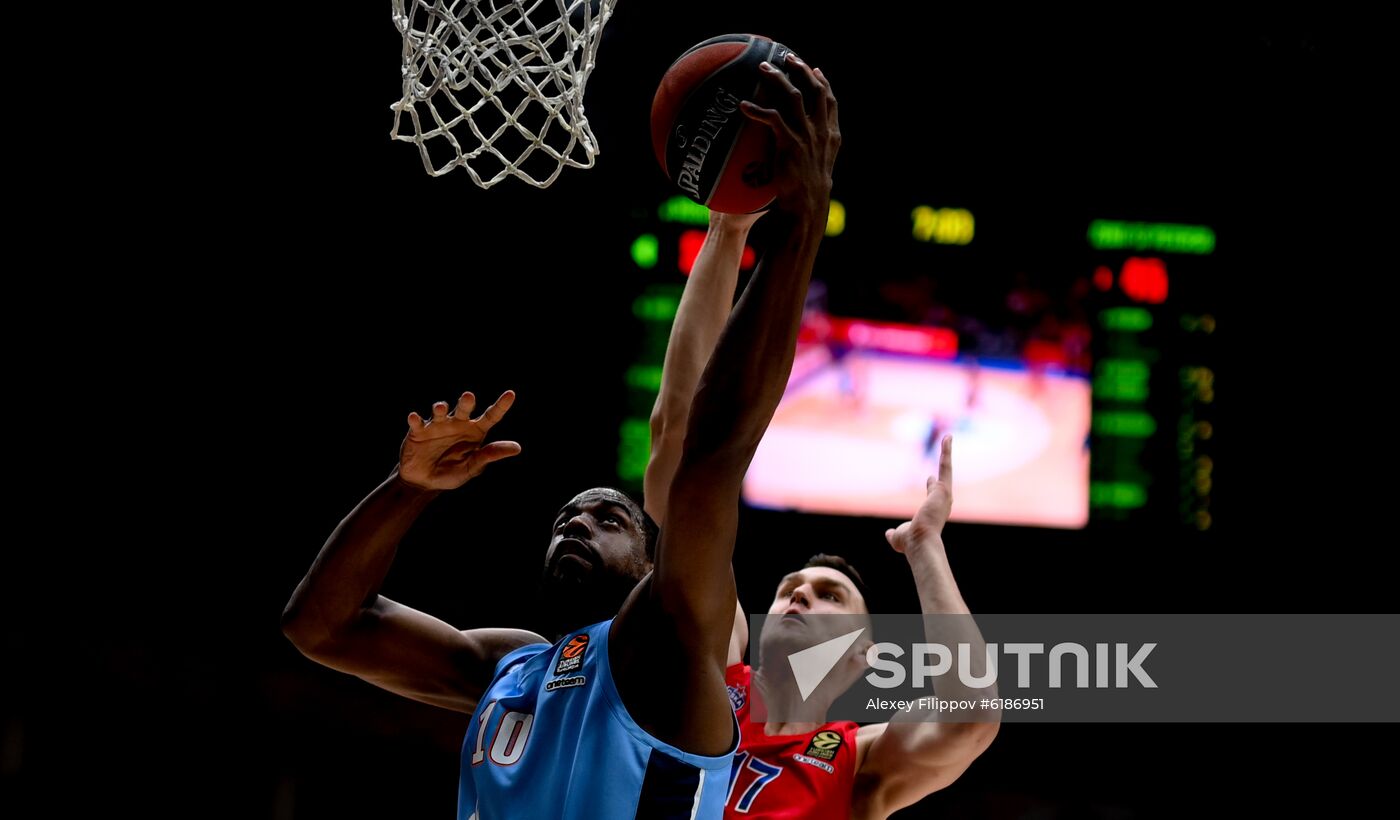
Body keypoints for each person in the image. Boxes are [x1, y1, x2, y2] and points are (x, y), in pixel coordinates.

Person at [281, 51, 841, 820]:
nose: (576, 520)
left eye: (610, 517)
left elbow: (700, 450)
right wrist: (405, 489)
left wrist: (795, 226)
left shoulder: (675, 637)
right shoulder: (512, 667)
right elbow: (321, 625)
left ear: (656, 558)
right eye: (567, 517)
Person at [647, 223, 997, 819]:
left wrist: (924, 547)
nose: (799, 595)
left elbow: (969, 719)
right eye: (789, 590)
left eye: (829, 596)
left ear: (862, 656)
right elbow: (677, 457)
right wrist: (727, 229)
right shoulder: (712, 674)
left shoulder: (860, 760)